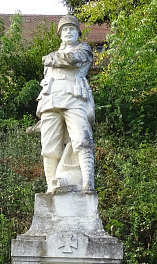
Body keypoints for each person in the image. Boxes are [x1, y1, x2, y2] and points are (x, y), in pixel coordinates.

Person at [36, 15, 95, 192]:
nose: (68, 32)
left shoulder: (83, 49)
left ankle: (87, 184)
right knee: (48, 147)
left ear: (78, 33)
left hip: (74, 96)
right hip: (50, 100)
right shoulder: (53, 55)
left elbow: (73, 60)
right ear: (60, 35)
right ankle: (51, 187)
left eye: (72, 29)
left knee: (82, 139)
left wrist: (50, 58)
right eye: (65, 29)